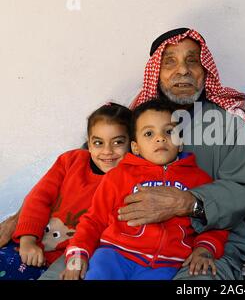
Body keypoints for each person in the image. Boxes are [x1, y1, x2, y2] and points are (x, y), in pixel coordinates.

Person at [119, 27, 245, 280]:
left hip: (211, 242)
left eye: (192, 60)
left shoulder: (229, 124)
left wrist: (187, 202)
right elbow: (93, 172)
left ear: (204, 70)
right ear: (156, 73)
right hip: (132, 242)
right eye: (170, 61)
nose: (183, 70)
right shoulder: (132, 122)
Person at [62, 99, 229, 280]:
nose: (160, 138)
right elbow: (93, 220)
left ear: (180, 142)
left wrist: (205, 248)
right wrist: (76, 257)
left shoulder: (199, 179)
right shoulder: (119, 176)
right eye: (149, 133)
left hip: (167, 264)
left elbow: (215, 219)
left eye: (169, 131)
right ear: (136, 147)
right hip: (114, 255)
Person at [0, 103, 131, 280]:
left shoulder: (129, 182)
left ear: (133, 144)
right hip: (24, 244)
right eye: (98, 142)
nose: (107, 151)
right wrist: (28, 240)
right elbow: (38, 198)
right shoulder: (71, 161)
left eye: (117, 142)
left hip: (58, 263)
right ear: (89, 144)